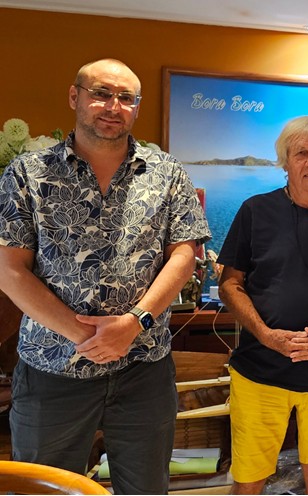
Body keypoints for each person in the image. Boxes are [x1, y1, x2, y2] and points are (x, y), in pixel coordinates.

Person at [0, 58, 210, 494]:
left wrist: (133, 324)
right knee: (45, 488)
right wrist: (87, 336)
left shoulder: (167, 173)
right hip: (52, 370)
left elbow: (184, 255)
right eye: (101, 93)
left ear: (137, 107)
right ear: (74, 97)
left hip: (143, 369)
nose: (113, 106)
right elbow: (9, 269)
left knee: (146, 488)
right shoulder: (26, 173)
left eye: (126, 98)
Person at [217, 116, 308, 494]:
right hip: (260, 368)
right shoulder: (255, 210)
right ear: (285, 162)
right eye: (301, 153)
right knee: (250, 478)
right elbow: (230, 285)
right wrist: (267, 335)